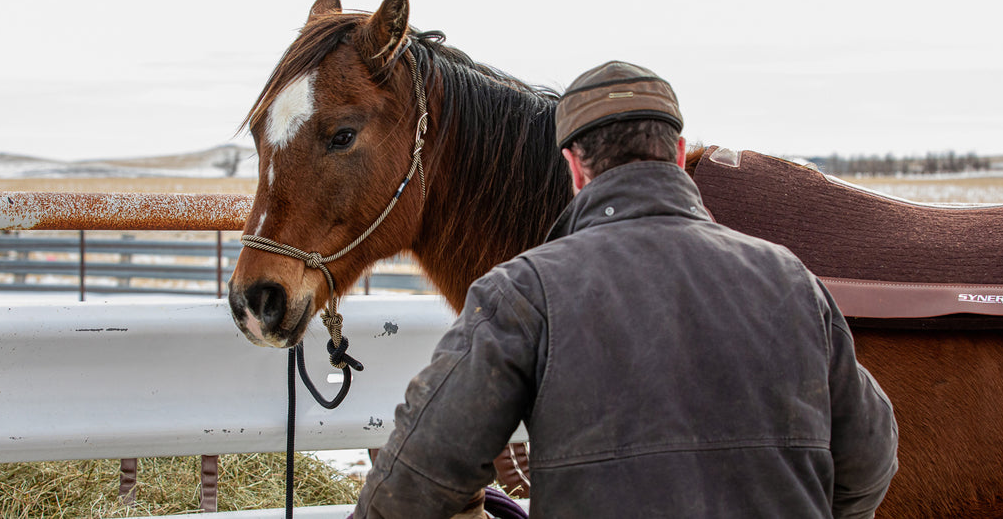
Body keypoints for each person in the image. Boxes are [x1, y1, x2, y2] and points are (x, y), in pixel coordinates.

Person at [354, 61, 898, 518]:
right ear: (680, 154)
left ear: (572, 166)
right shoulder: (792, 283)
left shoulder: (524, 293)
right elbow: (871, 455)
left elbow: (414, 481)